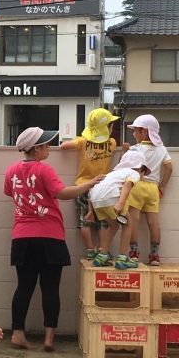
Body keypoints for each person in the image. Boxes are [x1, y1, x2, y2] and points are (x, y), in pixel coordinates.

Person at [4, 127, 105, 351]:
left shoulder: (11, 170)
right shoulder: (44, 170)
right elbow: (62, 193)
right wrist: (89, 184)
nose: (50, 149)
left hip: (22, 237)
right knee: (50, 289)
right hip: (50, 236)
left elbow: (9, 193)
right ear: (36, 148)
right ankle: (49, 338)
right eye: (47, 145)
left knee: (24, 287)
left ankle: (17, 334)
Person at [61, 109, 124, 260]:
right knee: (103, 221)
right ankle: (103, 248)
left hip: (83, 185)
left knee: (84, 220)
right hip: (104, 187)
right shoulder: (112, 143)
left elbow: (63, 146)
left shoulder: (83, 142)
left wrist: (80, 138)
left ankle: (90, 248)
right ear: (106, 128)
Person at [86, 151, 150, 269]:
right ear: (141, 168)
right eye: (144, 172)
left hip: (96, 201)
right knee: (128, 224)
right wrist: (120, 203)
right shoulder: (133, 173)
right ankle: (122, 258)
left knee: (114, 226)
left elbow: (92, 189)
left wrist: (90, 211)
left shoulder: (113, 174)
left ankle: (102, 256)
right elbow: (127, 185)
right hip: (112, 198)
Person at [126, 114, 173, 266]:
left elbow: (126, 166)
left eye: (136, 131)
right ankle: (154, 255)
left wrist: (124, 151)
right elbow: (169, 168)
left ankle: (133, 253)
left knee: (133, 220)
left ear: (144, 132)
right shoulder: (161, 149)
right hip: (153, 189)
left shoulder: (135, 149)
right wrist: (162, 185)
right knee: (154, 223)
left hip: (137, 185)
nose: (133, 134)